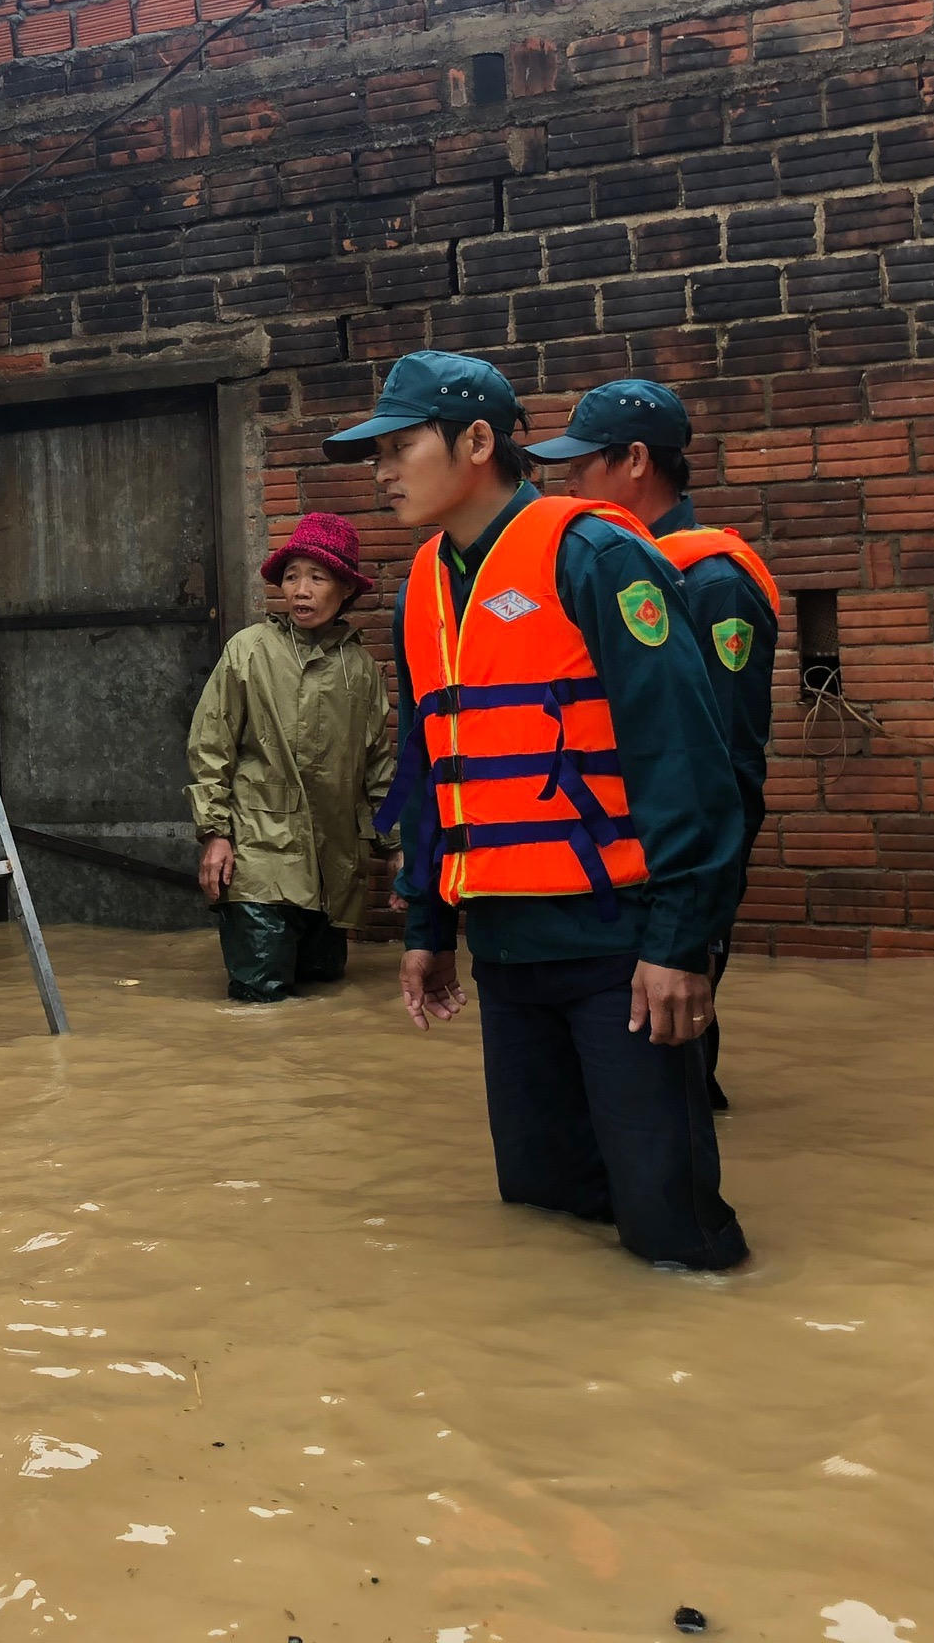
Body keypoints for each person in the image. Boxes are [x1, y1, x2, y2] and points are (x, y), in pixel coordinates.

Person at [325, 352, 749, 1271]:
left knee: (671, 1233)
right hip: (507, 953)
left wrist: (680, 944)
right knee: (544, 1204)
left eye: (399, 448)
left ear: (478, 441)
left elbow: (682, 757)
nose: (382, 473)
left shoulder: (596, 555)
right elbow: (431, 765)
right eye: (376, 456)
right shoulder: (425, 586)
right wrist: (428, 926)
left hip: (617, 947)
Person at [524, 379, 779, 1111]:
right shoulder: (605, 566)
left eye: (582, 464)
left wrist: (698, 910)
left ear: (635, 460)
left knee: (671, 1081)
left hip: (673, 868)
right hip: (615, 868)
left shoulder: (714, 582)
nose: (568, 484)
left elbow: (725, 757)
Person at [185, 512, 397, 1003]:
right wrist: (215, 833)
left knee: (323, 989)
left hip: (333, 862)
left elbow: (378, 767)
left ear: (346, 588)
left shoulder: (361, 669)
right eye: (292, 576)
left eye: (317, 578)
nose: (301, 590)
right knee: (260, 997)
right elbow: (211, 745)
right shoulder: (250, 650)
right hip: (258, 853)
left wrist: (395, 847)